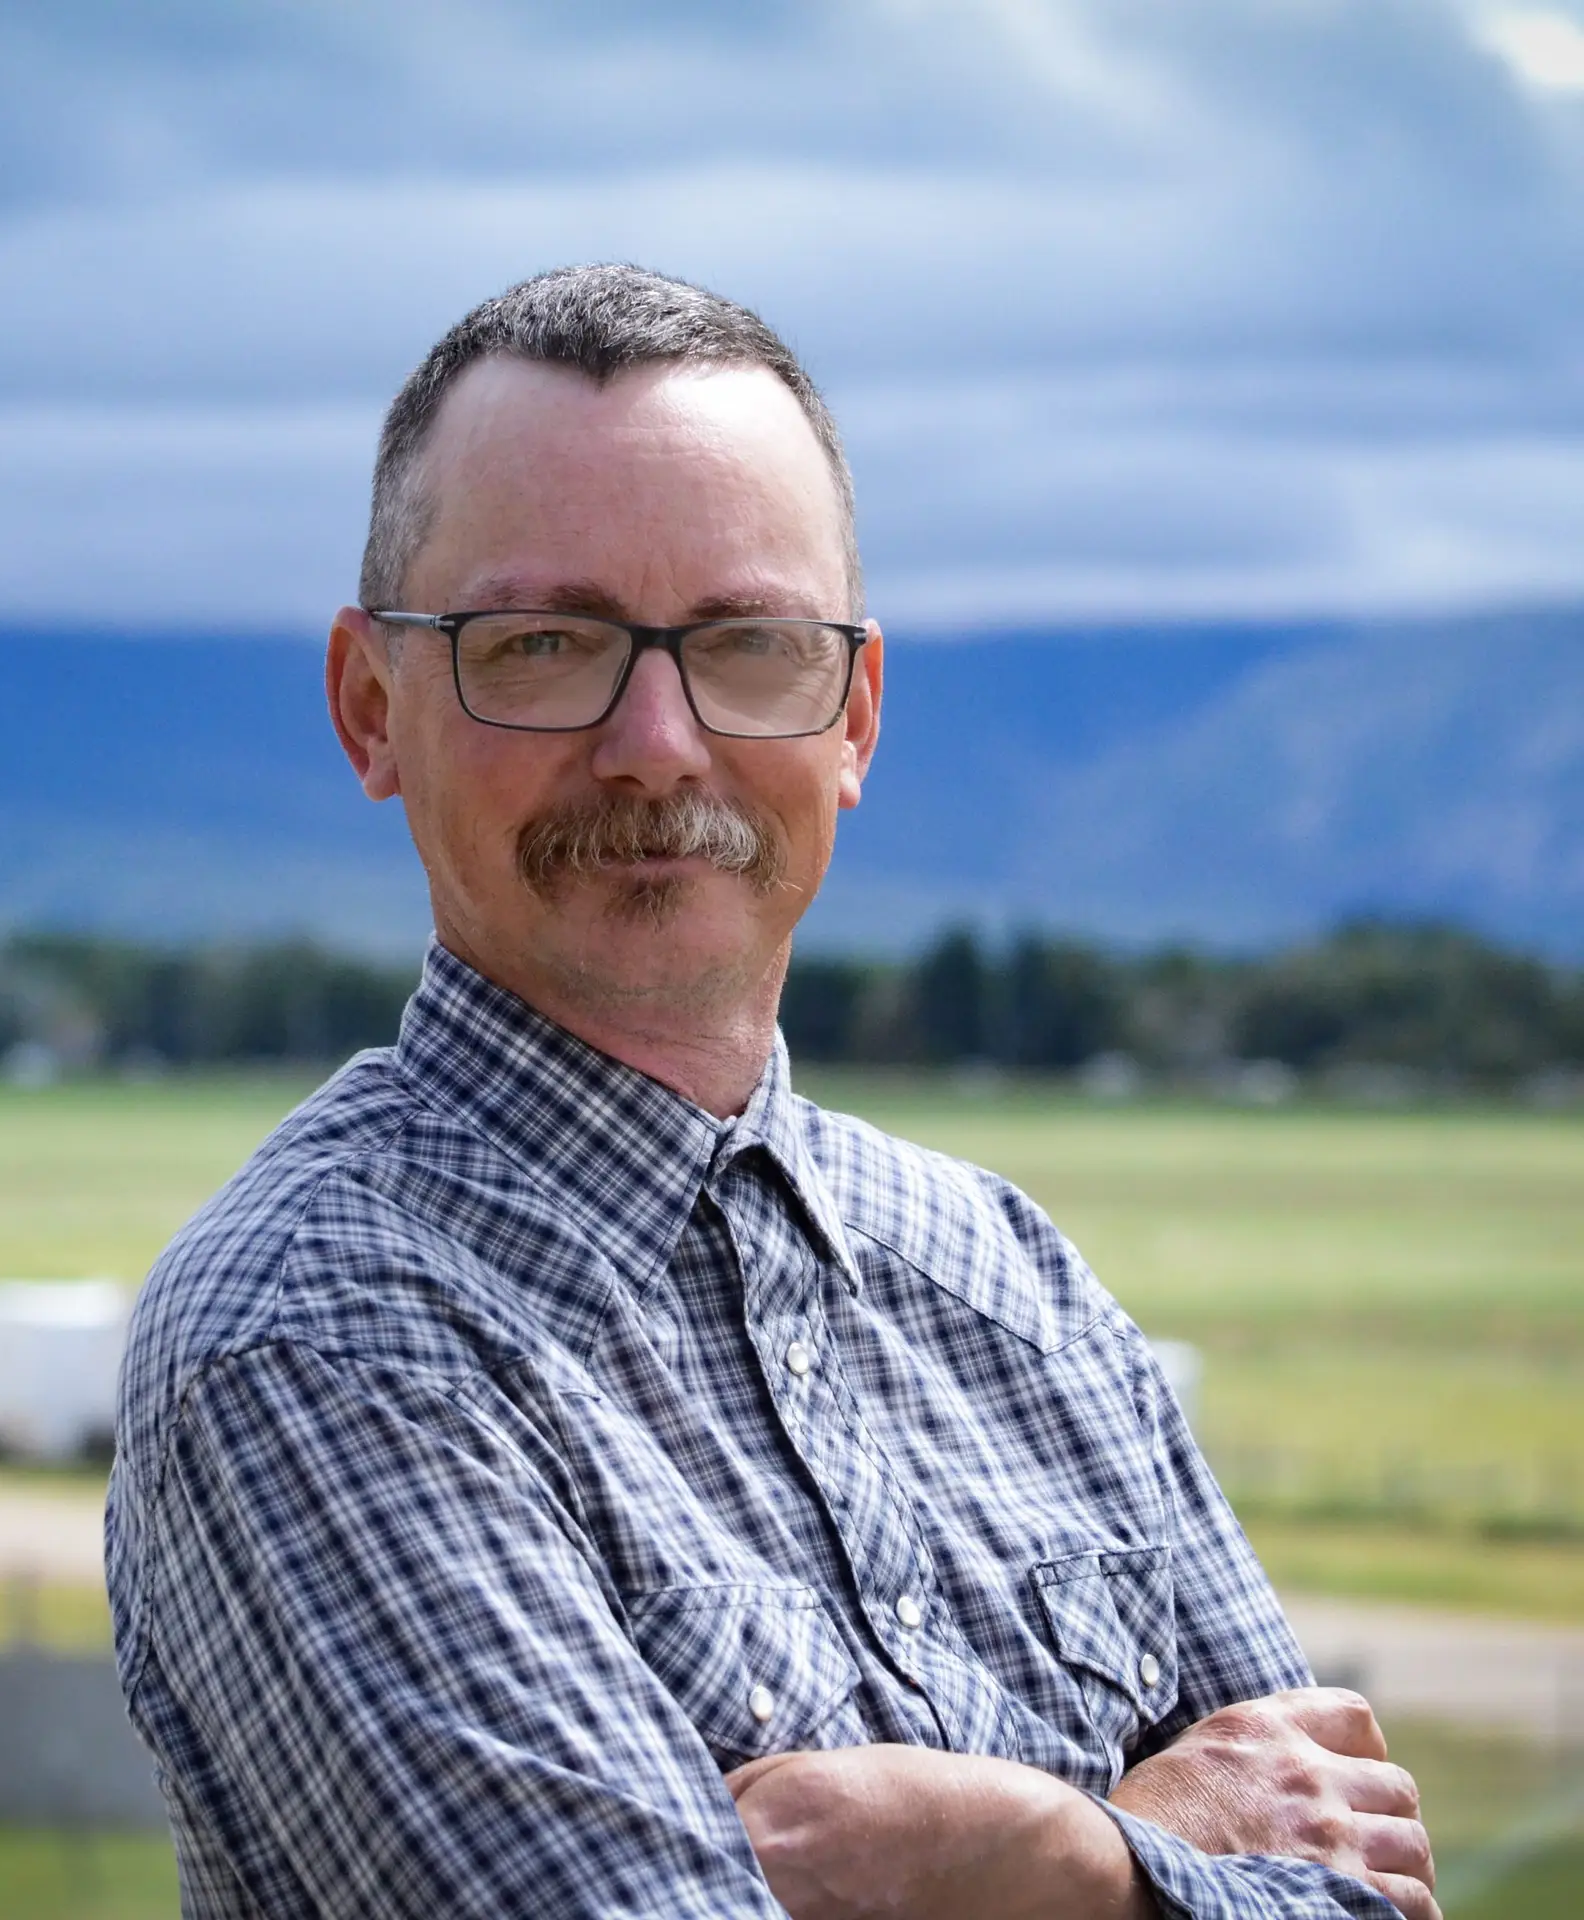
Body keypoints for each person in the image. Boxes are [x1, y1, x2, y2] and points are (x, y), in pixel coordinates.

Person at [106, 265, 1437, 1919]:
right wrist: (1118, 1849)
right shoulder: (317, 1335)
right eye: (545, 644)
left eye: (747, 647)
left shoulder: (1004, 1279)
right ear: (373, 709)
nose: (659, 743)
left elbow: (1368, 1888)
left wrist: (1026, 1852)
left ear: (855, 715)